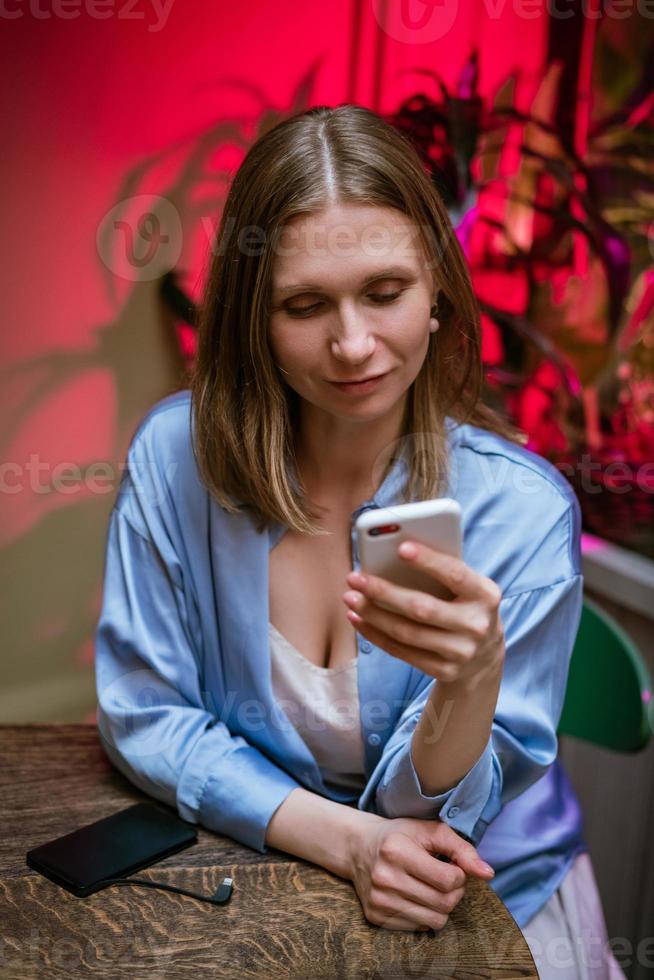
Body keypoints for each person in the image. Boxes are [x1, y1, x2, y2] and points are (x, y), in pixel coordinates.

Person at [94, 104, 624, 978]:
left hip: (491, 905)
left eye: (385, 293)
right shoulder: (172, 460)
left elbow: (439, 827)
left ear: (438, 287)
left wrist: (471, 683)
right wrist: (345, 840)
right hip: (272, 882)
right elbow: (145, 712)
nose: (352, 346)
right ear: (252, 317)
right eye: (305, 305)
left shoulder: (526, 513)